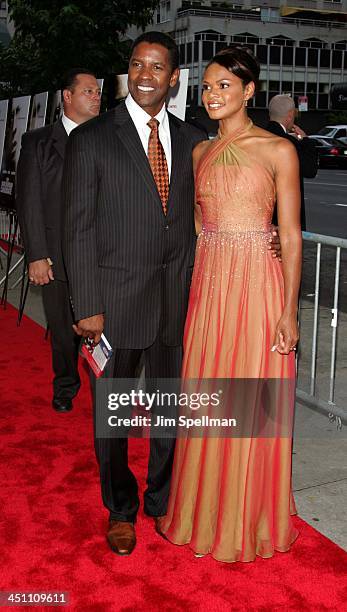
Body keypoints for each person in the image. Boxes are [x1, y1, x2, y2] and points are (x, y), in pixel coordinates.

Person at [159, 46, 302, 563]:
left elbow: (289, 235)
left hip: (259, 289)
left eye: (225, 86)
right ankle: (205, 510)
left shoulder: (276, 150)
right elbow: (198, 224)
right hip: (212, 285)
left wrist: (289, 309)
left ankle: (250, 517)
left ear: (249, 92)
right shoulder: (198, 153)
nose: (214, 94)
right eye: (208, 86)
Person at [16, 69, 101, 413]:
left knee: (102, 328)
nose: (97, 97)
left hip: (100, 254)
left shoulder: (107, 138)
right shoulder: (37, 142)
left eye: (98, 92)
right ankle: (65, 384)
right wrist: (36, 254)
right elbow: (29, 200)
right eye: (89, 91)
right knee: (64, 332)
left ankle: (107, 391)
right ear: (67, 96)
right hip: (55, 257)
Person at [267, 94, 318, 230]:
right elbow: (310, 170)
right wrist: (306, 141)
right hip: (286, 215)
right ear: (289, 116)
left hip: (263, 213)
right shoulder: (289, 143)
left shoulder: (258, 137)